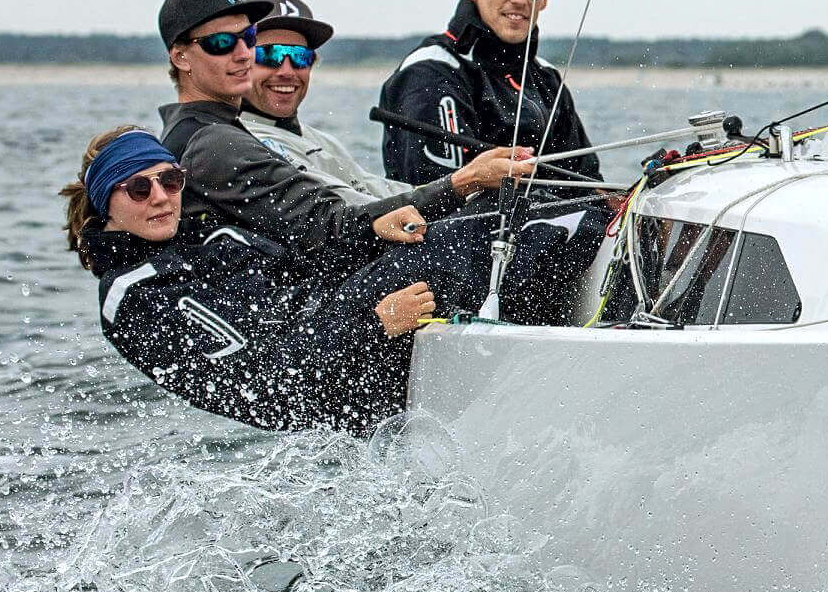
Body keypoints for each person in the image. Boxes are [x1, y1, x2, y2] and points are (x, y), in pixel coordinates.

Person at [62, 126, 591, 432]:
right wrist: (372, 323)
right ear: (107, 202)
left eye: (170, 180)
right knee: (469, 245)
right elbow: (264, 383)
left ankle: (596, 316)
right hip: (339, 394)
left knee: (491, 211)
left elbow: (313, 266)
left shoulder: (207, 236)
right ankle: (608, 252)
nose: (160, 196)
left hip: (344, 331)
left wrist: (378, 229)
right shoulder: (135, 297)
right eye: (138, 189)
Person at [155, 0, 536, 268]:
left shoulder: (302, 137)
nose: (243, 55)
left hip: (337, 279)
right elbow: (334, 223)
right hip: (320, 307)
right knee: (532, 234)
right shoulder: (211, 141)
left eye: (248, 39)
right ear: (181, 57)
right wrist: (462, 182)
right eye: (223, 44)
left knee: (539, 215)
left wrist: (479, 187)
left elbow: (370, 193)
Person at [379, 0, 602, 196]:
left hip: (552, 228)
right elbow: (433, 199)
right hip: (452, 234)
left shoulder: (547, 78)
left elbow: (588, 186)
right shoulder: (430, 72)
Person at [238, 0, 409, 203]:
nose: (287, 71)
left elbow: (376, 189)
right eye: (270, 55)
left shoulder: (323, 141)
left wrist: (458, 188)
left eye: (300, 57)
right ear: (238, 61)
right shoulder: (240, 143)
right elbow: (347, 207)